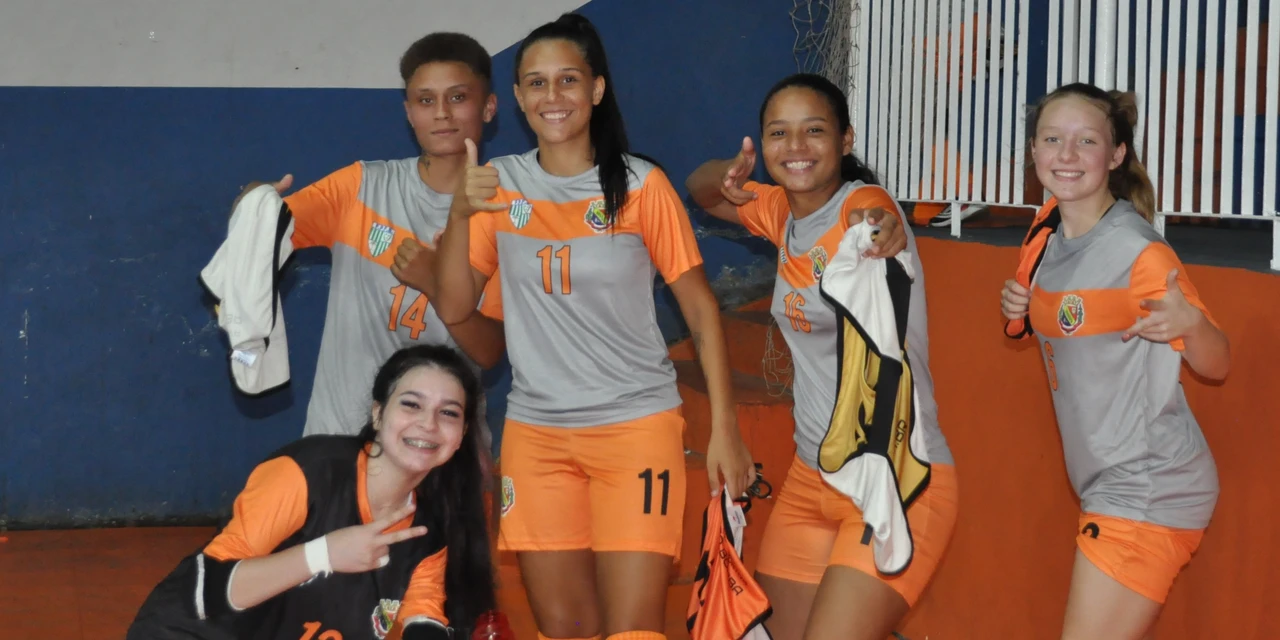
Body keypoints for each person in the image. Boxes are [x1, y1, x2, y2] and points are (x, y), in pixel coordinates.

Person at [432, 13, 755, 640]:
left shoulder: (641, 186)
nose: (552, 96)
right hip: (537, 436)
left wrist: (726, 430)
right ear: (518, 96)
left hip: (635, 430)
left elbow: (700, 312)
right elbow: (452, 303)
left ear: (597, 89)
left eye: (569, 80)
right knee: (566, 629)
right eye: (536, 83)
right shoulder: (498, 187)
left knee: (633, 628)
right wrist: (460, 211)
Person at [685, 73, 959, 640]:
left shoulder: (858, 207)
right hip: (810, 483)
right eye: (778, 133)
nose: (796, 146)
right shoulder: (780, 213)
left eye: (814, 130)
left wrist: (881, 230)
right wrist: (730, 174)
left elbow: (875, 217)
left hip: (894, 481)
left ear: (845, 140)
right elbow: (701, 189)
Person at [999, 82, 1230, 639]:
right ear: (1033, 150)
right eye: (1052, 139)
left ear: (1117, 153)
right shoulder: (1047, 230)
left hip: (1149, 485)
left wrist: (1191, 324)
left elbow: (1218, 363)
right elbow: (1058, 317)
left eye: (1087, 140)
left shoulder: (1137, 251)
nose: (1067, 154)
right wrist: (1021, 307)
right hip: (1109, 483)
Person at [231, 32, 506, 441]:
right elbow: (256, 232)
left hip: (441, 451)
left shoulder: (506, 210)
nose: (442, 113)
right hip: (342, 441)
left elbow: (488, 351)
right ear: (408, 112)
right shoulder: (360, 187)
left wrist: (436, 283)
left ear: (488, 107)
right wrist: (253, 200)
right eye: (425, 100)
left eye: (458, 97)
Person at [127, 344, 497, 640]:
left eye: (449, 413)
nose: (428, 424)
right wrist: (323, 554)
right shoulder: (307, 473)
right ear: (378, 414)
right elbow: (210, 592)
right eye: (411, 404)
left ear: (462, 434)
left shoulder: (430, 525)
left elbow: (424, 614)